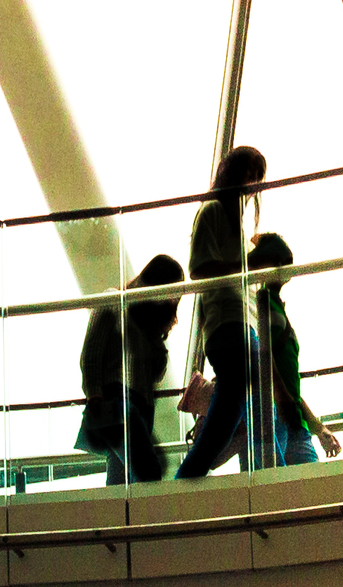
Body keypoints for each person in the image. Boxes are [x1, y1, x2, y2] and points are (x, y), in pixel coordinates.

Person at [176, 147, 267, 478]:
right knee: (250, 403)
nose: (253, 183)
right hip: (229, 325)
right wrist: (246, 264)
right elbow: (199, 269)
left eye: (258, 177)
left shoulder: (232, 224)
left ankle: (192, 475)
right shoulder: (212, 211)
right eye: (249, 173)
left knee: (234, 411)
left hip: (239, 324)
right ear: (233, 173)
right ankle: (196, 473)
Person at [76, 255, 185, 485]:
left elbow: (156, 373)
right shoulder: (114, 301)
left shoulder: (149, 326)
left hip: (137, 408)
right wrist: (94, 392)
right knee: (148, 473)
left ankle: (117, 521)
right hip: (117, 402)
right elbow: (92, 352)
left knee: (120, 482)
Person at [239, 232, 341, 469]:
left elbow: (286, 380)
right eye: (282, 264)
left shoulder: (270, 304)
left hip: (290, 419)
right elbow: (266, 360)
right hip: (280, 417)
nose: (288, 271)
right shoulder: (264, 303)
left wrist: (317, 427)